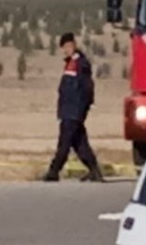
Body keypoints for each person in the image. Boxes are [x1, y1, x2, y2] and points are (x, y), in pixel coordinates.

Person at [43, 33, 103, 182]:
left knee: (64, 142)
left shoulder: (80, 64)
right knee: (79, 143)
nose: (66, 50)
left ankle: (53, 171)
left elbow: (87, 88)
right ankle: (94, 170)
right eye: (64, 47)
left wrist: (83, 108)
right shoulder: (70, 64)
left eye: (68, 46)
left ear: (74, 45)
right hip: (68, 110)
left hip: (73, 111)